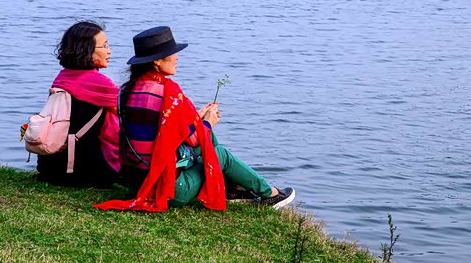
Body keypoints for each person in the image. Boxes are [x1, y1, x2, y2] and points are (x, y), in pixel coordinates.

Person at [94, 26, 294, 212]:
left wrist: (195, 118)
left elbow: (161, 131)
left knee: (207, 141)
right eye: (172, 53)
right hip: (168, 190)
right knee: (219, 154)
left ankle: (235, 188)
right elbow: (194, 140)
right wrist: (207, 123)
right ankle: (270, 194)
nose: (177, 57)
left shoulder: (124, 91)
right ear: (157, 61)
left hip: (135, 184)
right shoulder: (168, 94)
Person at [36, 20, 121, 188]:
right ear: (87, 50)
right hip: (86, 173)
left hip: (50, 169)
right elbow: (125, 115)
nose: (109, 51)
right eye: (104, 46)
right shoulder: (100, 84)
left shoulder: (62, 78)